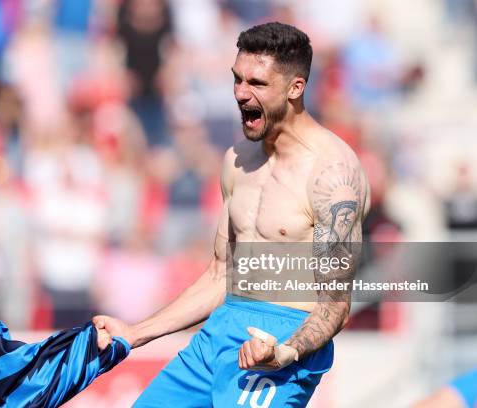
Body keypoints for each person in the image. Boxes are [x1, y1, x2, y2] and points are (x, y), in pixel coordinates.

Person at [94, 22, 370, 407]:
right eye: (237, 80)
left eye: (257, 83)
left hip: (280, 341)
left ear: (295, 88)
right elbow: (220, 274)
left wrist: (285, 353)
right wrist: (135, 333)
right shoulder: (237, 161)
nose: (241, 93)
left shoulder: (333, 174)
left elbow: (336, 305)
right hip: (222, 328)